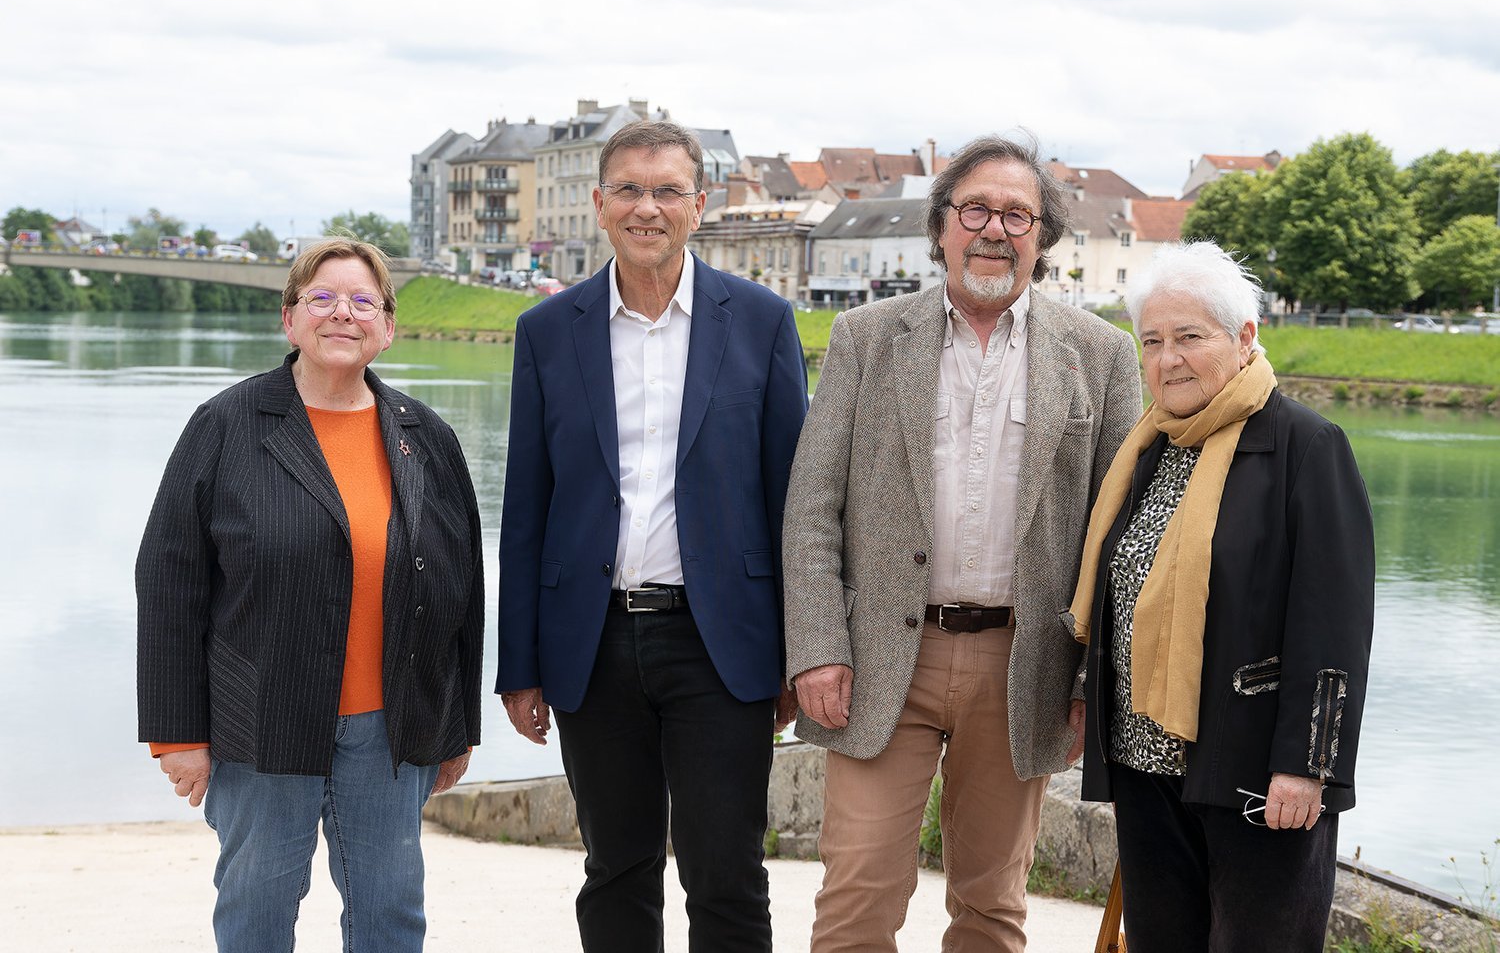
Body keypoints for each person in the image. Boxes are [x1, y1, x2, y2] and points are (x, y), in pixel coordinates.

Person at [782, 134, 1143, 952]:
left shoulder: (1102, 355)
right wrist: (815, 649)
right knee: (856, 900)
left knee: (990, 905)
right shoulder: (867, 339)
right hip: (878, 660)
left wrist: (1093, 679)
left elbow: (1117, 539)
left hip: (1024, 668)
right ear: (941, 224)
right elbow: (811, 508)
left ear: (1042, 237)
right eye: (975, 208)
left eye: (1018, 214)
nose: (995, 228)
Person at [495, 119, 808, 953]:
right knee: (616, 869)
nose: (647, 208)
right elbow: (527, 505)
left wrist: (797, 650)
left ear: (699, 206)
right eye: (629, 189)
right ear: (598, 205)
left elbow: (794, 503)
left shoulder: (763, 323)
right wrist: (519, 663)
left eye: (668, 190)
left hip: (722, 644)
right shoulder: (547, 332)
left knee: (727, 874)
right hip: (590, 644)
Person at [136, 237, 484, 952]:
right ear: (288, 318)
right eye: (321, 298)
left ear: (387, 327)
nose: (341, 315)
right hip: (259, 722)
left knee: (391, 916)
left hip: (391, 730)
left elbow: (461, 591)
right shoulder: (226, 426)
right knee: (257, 915)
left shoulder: (428, 438)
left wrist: (455, 726)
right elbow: (169, 582)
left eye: (362, 301)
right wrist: (178, 734)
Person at [1067, 241, 1375, 952]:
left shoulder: (1306, 445)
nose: (1168, 358)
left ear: (1244, 339)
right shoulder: (1149, 448)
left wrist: (1308, 767)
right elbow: (1122, 597)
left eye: (1189, 337)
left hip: (1256, 776)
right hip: (1146, 769)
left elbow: (1333, 626)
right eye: (1152, 341)